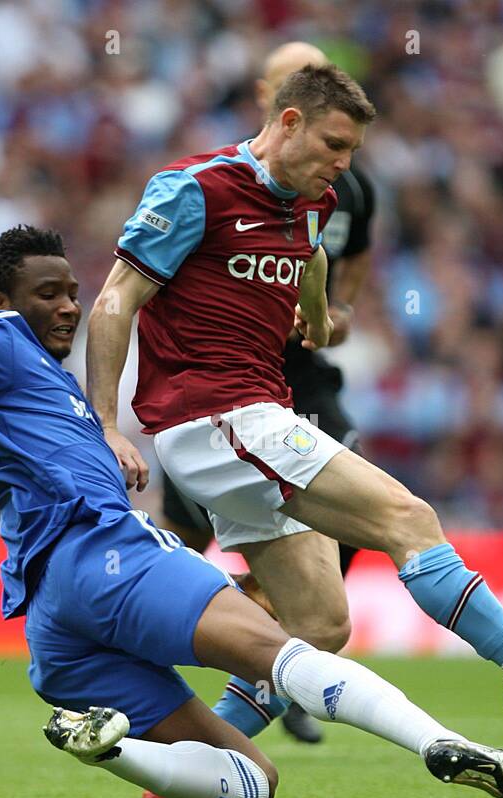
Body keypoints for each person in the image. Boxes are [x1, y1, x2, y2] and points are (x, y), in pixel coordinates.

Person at [0, 224, 503, 798]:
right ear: (1, 301)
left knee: (250, 782)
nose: (67, 307)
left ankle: (109, 744)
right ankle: (451, 749)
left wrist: (108, 445)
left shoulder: (42, 384)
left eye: (72, 293)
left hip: (57, 630)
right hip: (101, 557)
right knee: (284, 645)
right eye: (47, 294)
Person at [85, 65, 503, 753]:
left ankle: (197, 772)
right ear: (288, 121)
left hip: (254, 420)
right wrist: (108, 425)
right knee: (407, 518)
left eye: (352, 151)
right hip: (217, 419)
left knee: (321, 623)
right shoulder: (195, 188)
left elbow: (313, 260)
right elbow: (116, 299)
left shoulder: (314, 204)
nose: (343, 164)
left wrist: (320, 317)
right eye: (334, 144)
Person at [159, 41, 378, 746]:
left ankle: (287, 659)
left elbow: (347, 297)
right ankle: (172, 649)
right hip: (217, 394)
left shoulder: (352, 192)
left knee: (351, 523)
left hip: (301, 386)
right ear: (274, 100)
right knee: (186, 544)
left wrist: (323, 322)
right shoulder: (213, 183)